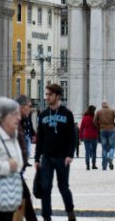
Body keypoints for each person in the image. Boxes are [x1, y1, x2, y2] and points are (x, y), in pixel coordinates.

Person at [35, 83, 76, 221]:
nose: (47, 97)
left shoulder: (67, 114)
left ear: (58, 96)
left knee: (63, 187)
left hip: (62, 157)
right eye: (46, 94)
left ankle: (70, 212)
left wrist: (70, 155)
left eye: (50, 94)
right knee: (45, 187)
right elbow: (40, 138)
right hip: (47, 156)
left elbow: (72, 136)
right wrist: (37, 158)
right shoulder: (43, 114)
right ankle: (46, 216)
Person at [95, 101, 115, 171]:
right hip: (111, 129)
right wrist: (114, 125)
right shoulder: (112, 111)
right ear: (108, 105)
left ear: (102, 105)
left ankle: (104, 165)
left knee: (104, 148)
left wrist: (99, 126)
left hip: (102, 129)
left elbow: (94, 121)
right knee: (112, 147)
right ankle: (110, 157)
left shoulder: (98, 112)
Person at [16, 95, 36, 160]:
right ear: (21, 107)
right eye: (29, 106)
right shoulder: (13, 121)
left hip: (27, 135)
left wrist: (32, 133)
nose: (30, 109)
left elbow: (30, 123)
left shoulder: (27, 115)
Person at [79, 105, 98, 170]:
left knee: (87, 151)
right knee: (94, 151)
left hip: (86, 136)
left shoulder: (84, 117)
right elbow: (97, 126)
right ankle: (93, 165)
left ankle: (87, 165)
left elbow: (81, 127)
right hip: (94, 136)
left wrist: (80, 136)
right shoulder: (95, 117)